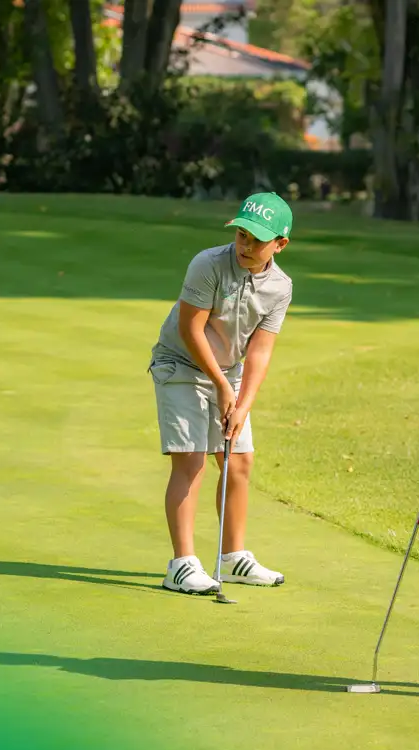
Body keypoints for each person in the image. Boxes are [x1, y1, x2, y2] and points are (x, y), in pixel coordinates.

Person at [147, 192, 295, 594]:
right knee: (192, 460)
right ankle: (181, 565)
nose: (245, 246)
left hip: (228, 373)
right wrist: (220, 385)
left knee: (239, 462)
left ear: (280, 244)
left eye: (257, 240)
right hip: (180, 364)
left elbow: (260, 352)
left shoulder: (280, 287)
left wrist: (242, 404)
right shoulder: (208, 264)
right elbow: (190, 329)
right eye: (242, 235)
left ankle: (232, 558)